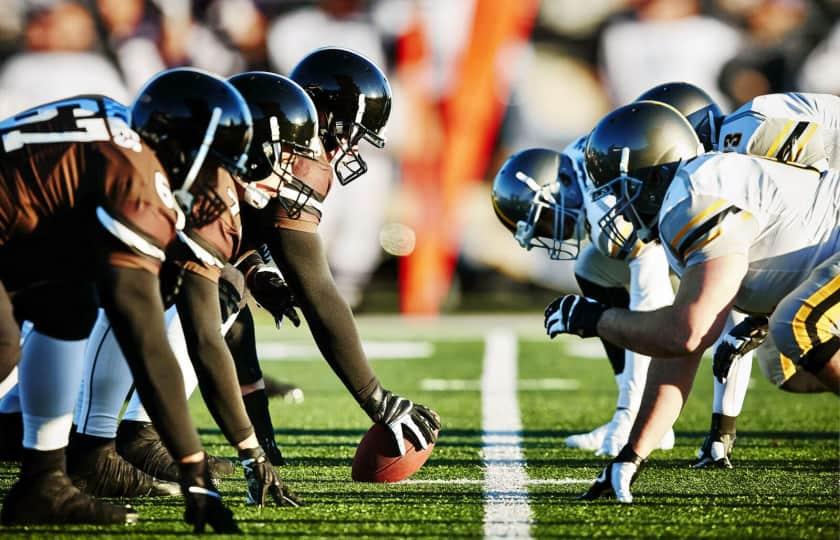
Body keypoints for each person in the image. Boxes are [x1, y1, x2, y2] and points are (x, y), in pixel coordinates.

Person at [545, 100, 840, 503]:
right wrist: (631, 456)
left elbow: (687, 332)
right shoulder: (690, 197)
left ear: (654, 173)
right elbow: (681, 351)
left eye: (620, 190)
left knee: (798, 326)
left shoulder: (693, 195)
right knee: (783, 364)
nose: (615, 206)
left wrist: (596, 319)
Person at [0, 68, 251, 529]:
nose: (217, 181)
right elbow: (146, 340)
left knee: (67, 305)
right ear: (179, 147)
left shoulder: (117, 129)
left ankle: (43, 482)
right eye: (214, 163)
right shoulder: (137, 179)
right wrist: (193, 465)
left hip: (15, 231)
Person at [637, 83, 840, 467]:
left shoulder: (748, 132)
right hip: (815, 246)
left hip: (830, 232)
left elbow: (813, 206)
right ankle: (721, 435)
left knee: (802, 325)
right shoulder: (722, 169)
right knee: (781, 368)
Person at [491, 144, 675, 457]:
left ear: (557, 186)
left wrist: (629, 410)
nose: (554, 233)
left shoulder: (600, 202)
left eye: (547, 221)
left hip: (709, 215)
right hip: (666, 224)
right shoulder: (575, 170)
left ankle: (653, 420)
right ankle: (644, 419)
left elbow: (651, 290)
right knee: (592, 268)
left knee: (715, 319)